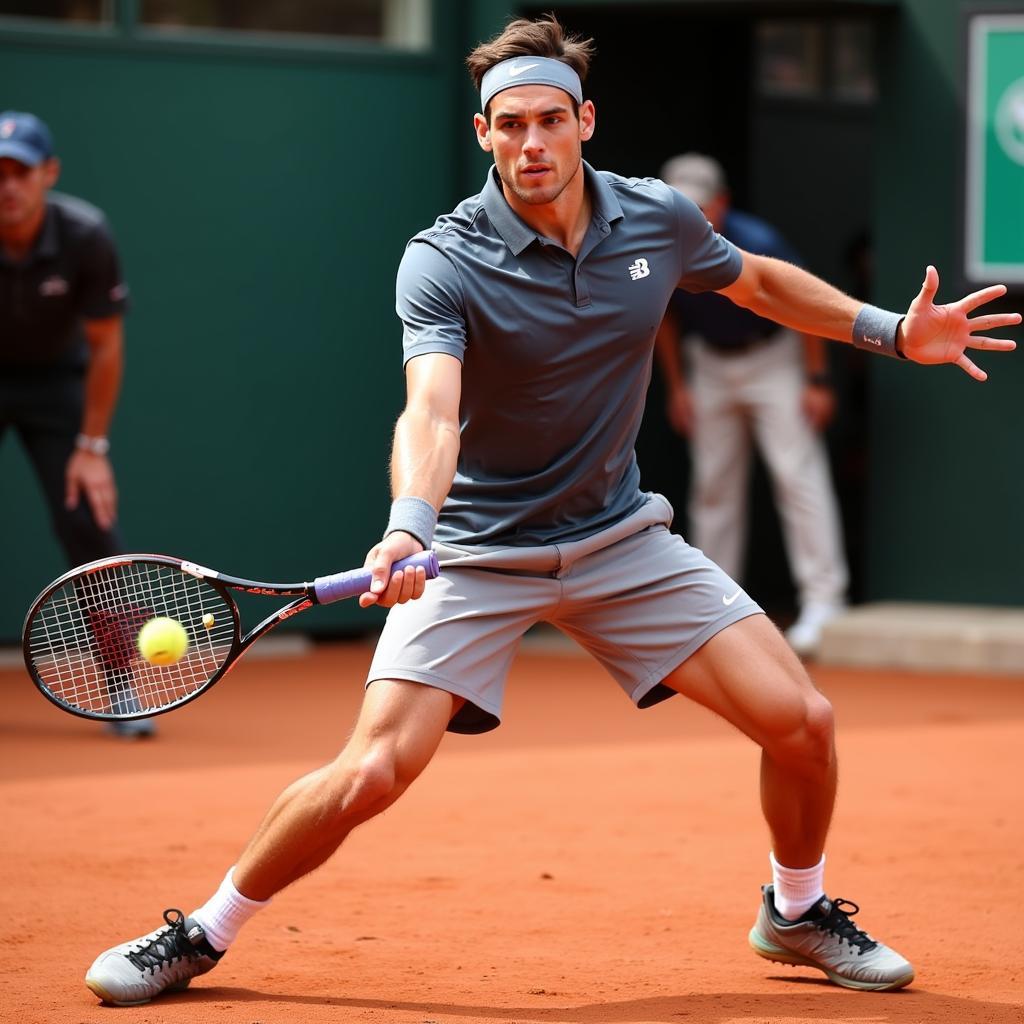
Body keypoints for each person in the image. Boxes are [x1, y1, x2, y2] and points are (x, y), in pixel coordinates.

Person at [84, 15, 1018, 1005]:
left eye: (547, 121)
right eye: (508, 125)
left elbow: (753, 284)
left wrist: (886, 330)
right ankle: (203, 930)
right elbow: (431, 407)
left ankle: (794, 912)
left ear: (584, 122)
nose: (530, 144)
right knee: (373, 772)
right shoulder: (440, 259)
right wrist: (410, 521)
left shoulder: (655, 218)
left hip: (617, 537)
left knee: (802, 723)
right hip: (474, 550)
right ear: (483, 135)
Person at [654, 153, 848, 657]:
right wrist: (678, 386)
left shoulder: (758, 242)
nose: (688, 215)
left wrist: (817, 378)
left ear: (721, 204)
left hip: (773, 357)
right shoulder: (655, 242)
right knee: (714, 484)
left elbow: (805, 303)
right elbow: (665, 320)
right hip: (709, 365)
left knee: (795, 474)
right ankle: (716, 610)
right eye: (678, 204)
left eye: (698, 206)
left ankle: (825, 603)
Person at [0, 111, 152, 739]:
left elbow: (107, 346)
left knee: (87, 517)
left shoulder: (86, 234)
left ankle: (122, 686)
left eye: (20, 172)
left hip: (54, 383)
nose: (7, 186)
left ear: (48, 174)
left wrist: (92, 446)